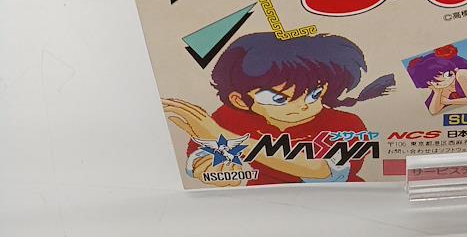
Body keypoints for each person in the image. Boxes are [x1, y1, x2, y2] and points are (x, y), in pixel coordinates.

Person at [163, 32, 394, 187]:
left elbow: (323, 172)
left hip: (342, 204)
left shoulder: (345, 123)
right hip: (263, 208)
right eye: (279, 98)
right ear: (240, 100)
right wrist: (212, 171)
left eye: (314, 94)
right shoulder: (227, 118)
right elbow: (200, 158)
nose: (303, 105)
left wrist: (225, 138)